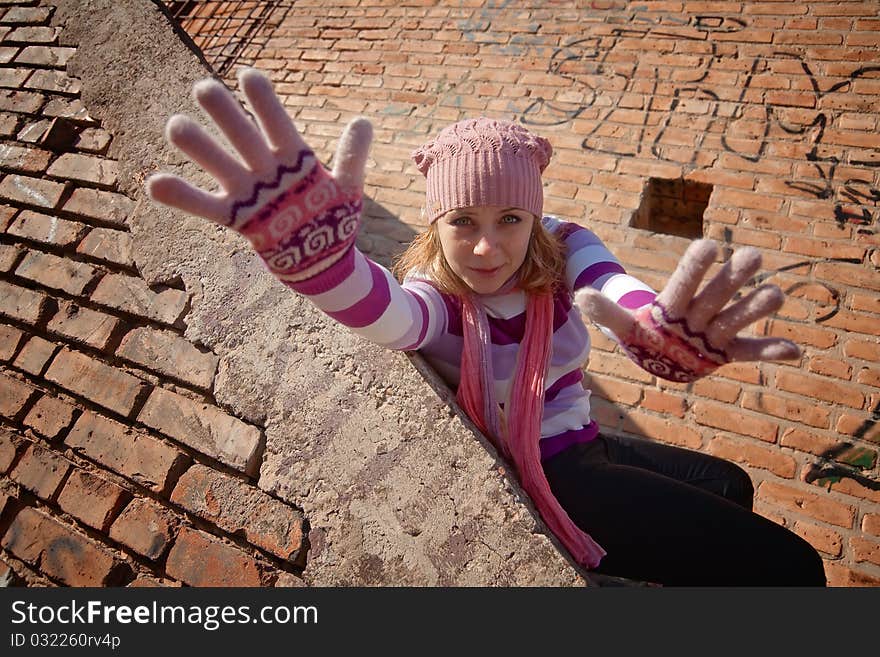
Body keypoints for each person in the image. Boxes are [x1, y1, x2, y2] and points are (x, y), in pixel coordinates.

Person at [147, 68, 827, 586]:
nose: (485, 248)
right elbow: (390, 314)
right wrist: (327, 269)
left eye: (509, 219)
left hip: (586, 434)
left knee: (732, 481)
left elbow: (612, 287)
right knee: (793, 568)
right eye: (462, 221)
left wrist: (654, 327)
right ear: (436, 226)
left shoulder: (564, 245)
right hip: (556, 472)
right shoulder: (436, 295)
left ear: (534, 217)